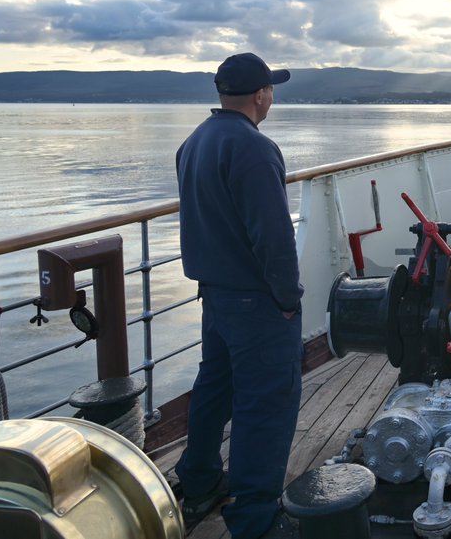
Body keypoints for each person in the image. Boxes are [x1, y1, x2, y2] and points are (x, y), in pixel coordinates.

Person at [174, 52, 303, 538]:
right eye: (271, 89)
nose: (271, 97)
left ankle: (200, 480)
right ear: (260, 95)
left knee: (215, 389)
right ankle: (254, 516)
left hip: (216, 297)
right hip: (257, 303)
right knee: (265, 403)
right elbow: (273, 236)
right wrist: (288, 299)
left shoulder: (194, 143)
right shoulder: (254, 148)